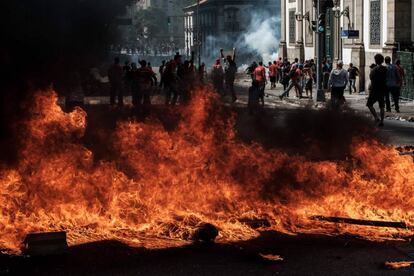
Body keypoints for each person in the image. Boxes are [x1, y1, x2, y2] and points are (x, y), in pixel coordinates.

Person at [367, 54, 387, 127]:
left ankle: (376, 117)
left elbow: (371, 77)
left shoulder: (374, 69)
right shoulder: (385, 69)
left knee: (369, 104)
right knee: (382, 106)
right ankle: (382, 121)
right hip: (382, 89)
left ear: (376, 60)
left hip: (374, 89)